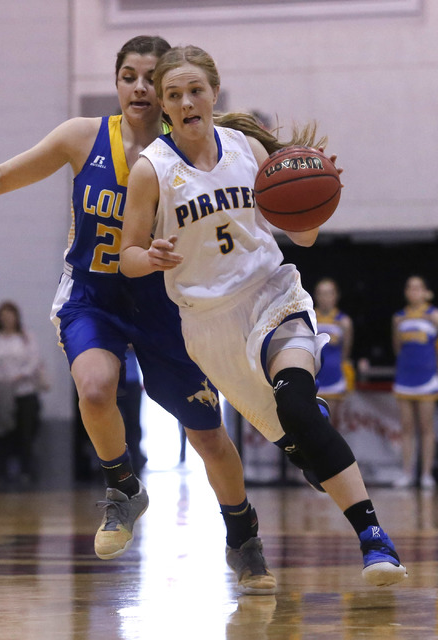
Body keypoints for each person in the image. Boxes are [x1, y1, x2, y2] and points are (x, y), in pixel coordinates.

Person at [0, 36, 277, 595]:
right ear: (117, 82)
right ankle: (123, 488)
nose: (139, 87)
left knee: (209, 438)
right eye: (128, 76)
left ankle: (244, 538)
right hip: (93, 296)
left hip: (164, 303)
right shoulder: (82, 137)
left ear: (168, 90)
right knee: (94, 388)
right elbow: (0, 180)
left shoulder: (185, 149)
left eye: (150, 77)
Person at [120, 44, 407, 588]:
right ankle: (307, 442)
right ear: (162, 105)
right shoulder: (150, 171)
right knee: (300, 441)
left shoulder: (247, 147)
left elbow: (302, 235)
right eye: (173, 95)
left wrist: (317, 200)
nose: (186, 102)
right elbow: (127, 257)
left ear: (213, 94)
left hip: (273, 293)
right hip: (209, 326)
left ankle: (375, 541)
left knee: (296, 406)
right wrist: (148, 257)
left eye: (195, 91)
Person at [0, 300, 42, 485]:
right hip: (1, 393)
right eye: (4, 316)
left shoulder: (26, 338)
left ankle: (26, 471)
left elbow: (33, 361)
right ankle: (1, 472)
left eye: (11, 316)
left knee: (25, 434)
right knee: (2, 433)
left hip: (24, 391)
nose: (7, 319)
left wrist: (19, 376)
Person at [392, 275, 438, 490]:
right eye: (410, 288)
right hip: (404, 377)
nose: (414, 292)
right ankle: (407, 473)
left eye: (418, 288)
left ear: (426, 292)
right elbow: (397, 348)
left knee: (426, 427)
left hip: (427, 378)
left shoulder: (433, 315)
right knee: (407, 427)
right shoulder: (399, 318)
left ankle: (426, 473)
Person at [313, 278, 354, 428]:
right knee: (311, 424)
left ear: (336, 296)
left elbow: (346, 351)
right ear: (316, 296)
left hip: (334, 378)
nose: (325, 298)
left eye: (329, 293)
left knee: (331, 425)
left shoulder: (344, 321)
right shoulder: (310, 318)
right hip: (313, 378)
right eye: (321, 293)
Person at [117, 346, 147, 476]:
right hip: (113, 383)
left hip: (132, 384)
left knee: (133, 428)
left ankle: (136, 469)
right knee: (115, 428)